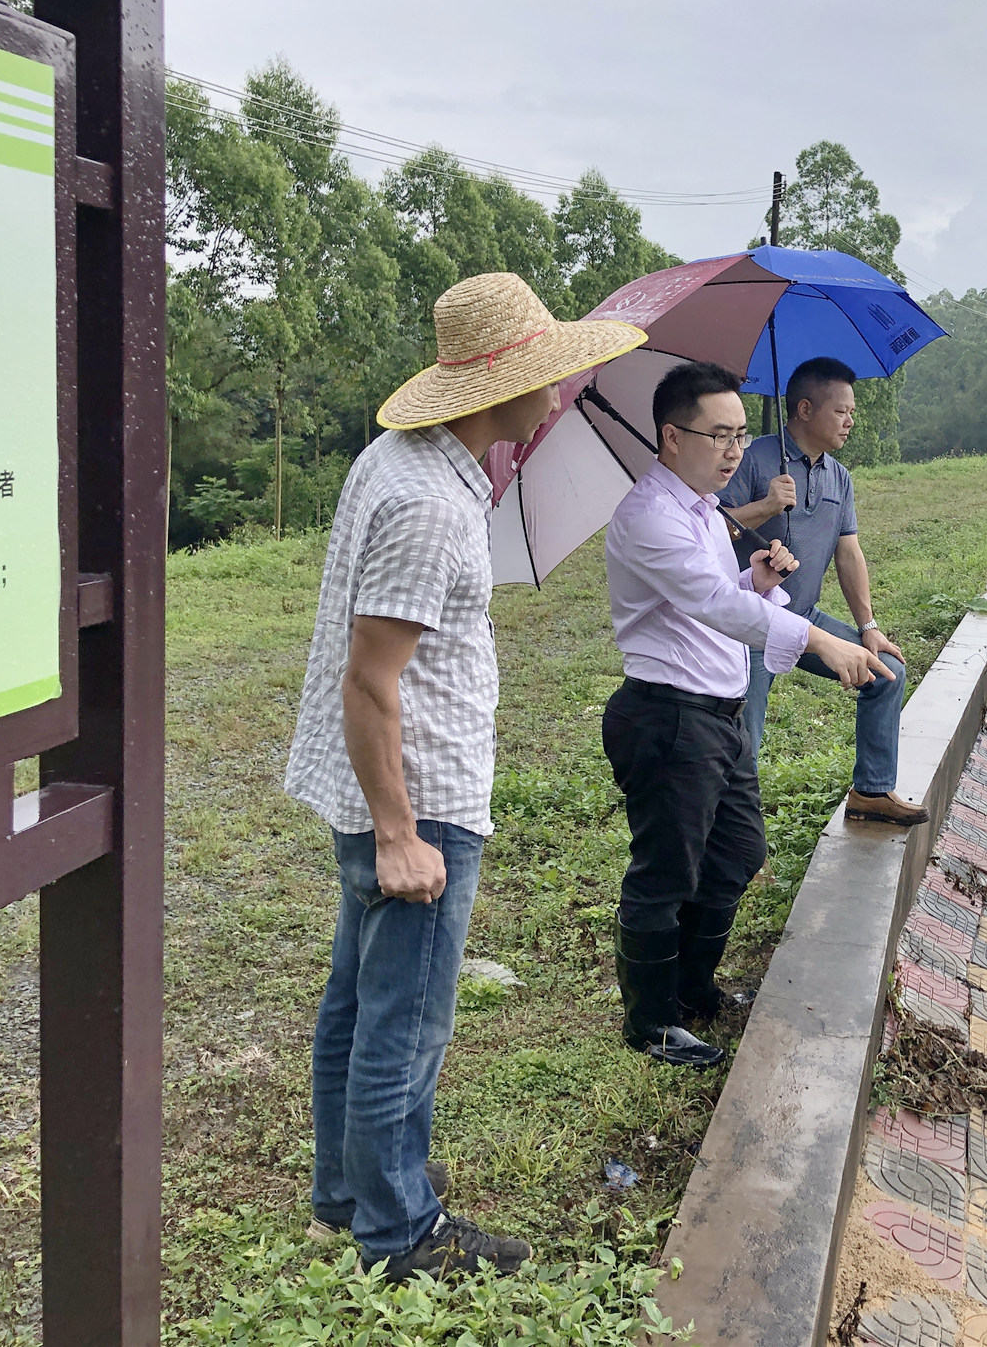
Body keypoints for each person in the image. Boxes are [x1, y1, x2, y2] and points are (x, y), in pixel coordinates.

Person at [285, 273, 644, 1280]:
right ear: (499, 384)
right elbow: (370, 678)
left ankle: (351, 1192)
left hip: (390, 786)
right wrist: (401, 834)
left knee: (359, 1002)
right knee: (403, 1020)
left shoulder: (408, 467)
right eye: (549, 373)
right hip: (417, 799)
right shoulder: (427, 505)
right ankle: (399, 1236)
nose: (562, 389)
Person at [601, 361, 892, 1068]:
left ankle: (693, 989)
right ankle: (651, 1020)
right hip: (669, 714)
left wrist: (753, 580)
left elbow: (718, 593)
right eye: (719, 435)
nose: (735, 451)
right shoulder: (649, 516)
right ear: (671, 438)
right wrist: (820, 637)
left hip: (715, 714)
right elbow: (711, 606)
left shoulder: (701, 509)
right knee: (666, 871)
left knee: (737, 854)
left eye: (739, 434)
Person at [720, 357, 929, 828]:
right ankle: (737, 843)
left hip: (806, 615)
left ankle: (872, 792)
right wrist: (766, 505)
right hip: (749, 621)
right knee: (743, 734)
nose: (851, 421)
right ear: (806, 409)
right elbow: (714, 528)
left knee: (887, 670)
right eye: (842, 412)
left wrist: (868, 627)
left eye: (852, 413)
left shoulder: (840, 476)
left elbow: (848, 554)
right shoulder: (753, 460)